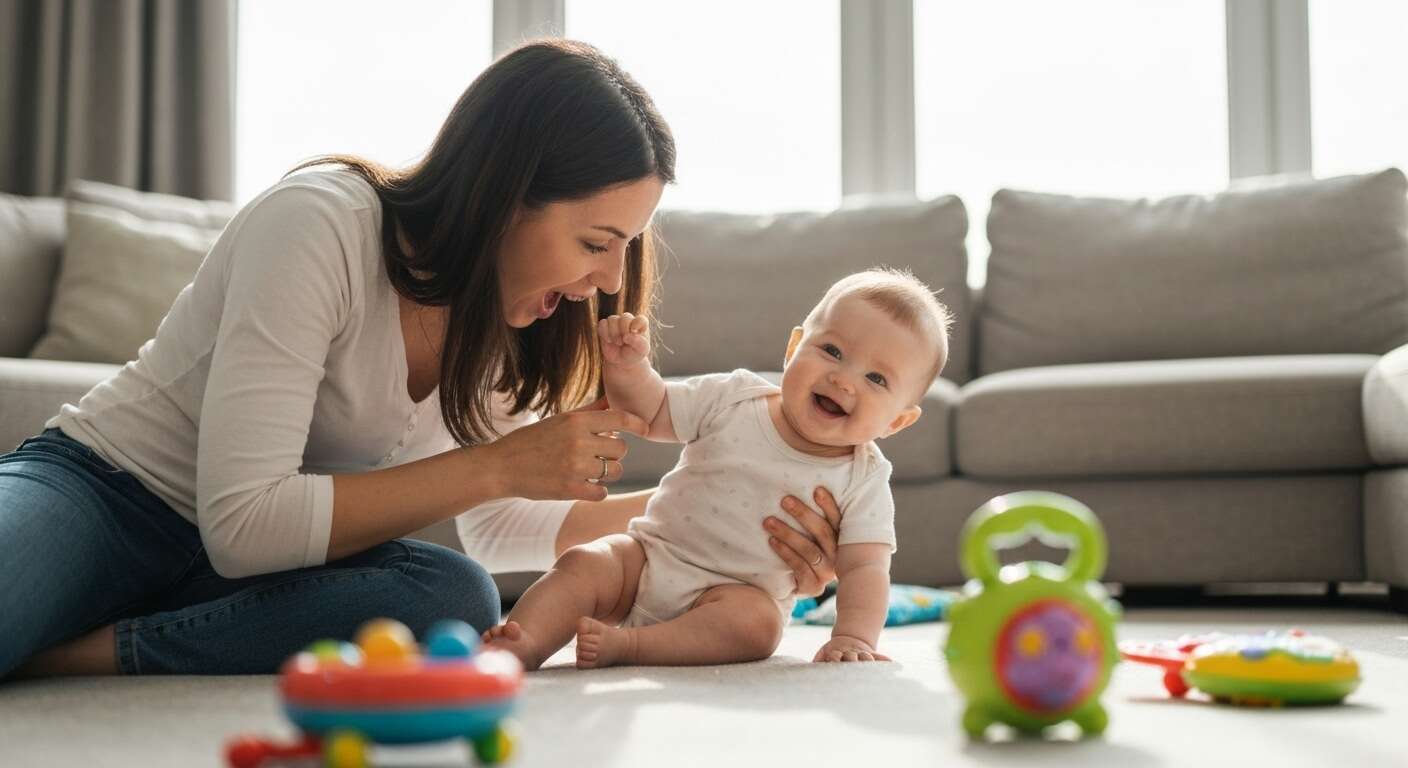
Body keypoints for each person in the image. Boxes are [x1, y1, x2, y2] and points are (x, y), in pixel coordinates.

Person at [0, 39, 841, 681]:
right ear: (506, 194)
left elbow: (502, 530)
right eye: (595, 243)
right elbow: (243, 523)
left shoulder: (519, 322)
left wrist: (730, 513)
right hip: (106, 496)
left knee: (453, 596)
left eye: (623, 250)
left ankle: (85, 654)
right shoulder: (319, 224)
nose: (606, 284)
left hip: (244, 570)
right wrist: (500, 463)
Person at [482, 268, 953, 669]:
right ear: (793, 348)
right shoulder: (734, 396)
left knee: (759, 626)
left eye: (876, 379)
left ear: (897, 421)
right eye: (832, 351)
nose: (842, 379)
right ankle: (522, 644)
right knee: (585, 562)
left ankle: (631, 647)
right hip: (646, 559)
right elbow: (654, 408)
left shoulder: (863, 477)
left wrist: (854, 637)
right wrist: (629, 368)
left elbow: (866, 567)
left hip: (733, 596)